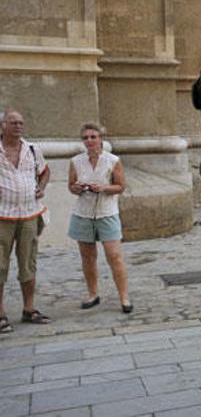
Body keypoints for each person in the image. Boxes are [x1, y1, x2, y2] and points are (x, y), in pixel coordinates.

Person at [67, 123, 132, 313]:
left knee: (115, 257)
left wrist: (103, 188)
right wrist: (77, 188)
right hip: (83, 214)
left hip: (107, 213)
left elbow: (120, 186)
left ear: (101, 138)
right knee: (87, 257)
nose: (89, 141)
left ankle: (124, 297)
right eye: (86, 137)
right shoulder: (76, 161)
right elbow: (70, 185)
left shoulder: (112, 160)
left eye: (93, 137)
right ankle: (93, 294)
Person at [0, 109, 52, 333]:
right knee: (0, 265)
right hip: (2, 216)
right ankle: (0, 314)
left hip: (30, 214)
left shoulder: (32, 149)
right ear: (3, 126)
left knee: (28, 263)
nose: (18, 126)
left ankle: (29, 309)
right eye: (13, 122)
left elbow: (45, 171)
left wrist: (41, 187)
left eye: (21, 123)